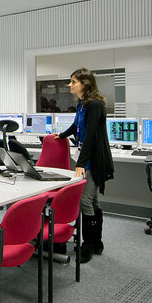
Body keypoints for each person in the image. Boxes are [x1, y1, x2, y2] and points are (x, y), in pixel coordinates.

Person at [53, 67, 115, 263]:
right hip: (86, 157)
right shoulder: (82, 103)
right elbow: (77, 125)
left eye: (73, 82)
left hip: (94, 160)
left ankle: (88, 244)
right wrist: (61, 135)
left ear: (85, 84)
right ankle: (97, 242)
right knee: (93, 202)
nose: (69, 85)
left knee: (84, 201)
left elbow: (91, 136)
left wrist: (81, 164)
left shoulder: (95, 105)